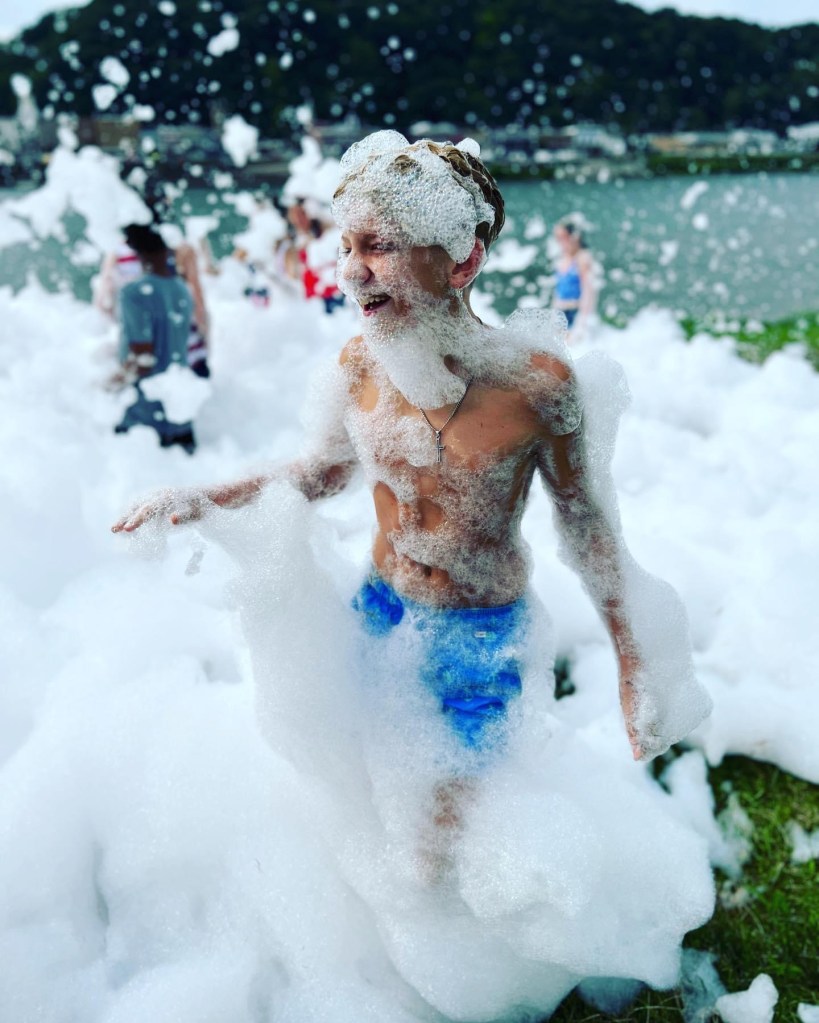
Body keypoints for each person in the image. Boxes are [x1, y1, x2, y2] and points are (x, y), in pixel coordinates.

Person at [112, 132, 709, 847]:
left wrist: (636, 661)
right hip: (379, 612)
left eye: (378, 246)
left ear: (462, 259)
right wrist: (202, 498)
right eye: (346, 246)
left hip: (479, 639)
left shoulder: (536, 386)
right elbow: (320, 474)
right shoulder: (360, 364)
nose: (350, 272)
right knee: (361, 798)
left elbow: (586, 526)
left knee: (446, 840)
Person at [112, 223, 197, 453]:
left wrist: (115, 383)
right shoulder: (181, 289)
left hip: (146, 410)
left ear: (138, 254)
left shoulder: (134, 293)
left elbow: (143, 355)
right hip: (179, 405)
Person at [552, 214, 597, 340]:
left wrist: (582, 323)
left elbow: (588, 292)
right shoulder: (562, 259)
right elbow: (557, 292)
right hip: (561, 313)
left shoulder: (583, 258)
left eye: (563, 238)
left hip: (575, 312)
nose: (560, 243)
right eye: (558, 239)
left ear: (574, 237)